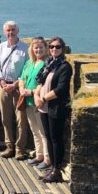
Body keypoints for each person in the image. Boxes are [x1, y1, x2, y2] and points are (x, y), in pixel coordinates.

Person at [34, 36, 73, 183]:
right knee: (49, 138)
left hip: (56, 108)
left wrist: (43, 99)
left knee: (56, 139)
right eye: (51, 47)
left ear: (62, 49)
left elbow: (61, 89)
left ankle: (57, 170)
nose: (54, 49)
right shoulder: (49, 64)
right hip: (44, 108)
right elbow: (40, 82)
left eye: (57, 47)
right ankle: (52, 168)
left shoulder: (65, 67)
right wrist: (37, 95)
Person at [0, 20, 29, 159]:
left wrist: (14, 85)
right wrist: (2, 82)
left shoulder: (25, 48)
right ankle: (9, 146)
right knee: (5, 118)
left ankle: (20, 148)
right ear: (4, 32)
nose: (10, 32)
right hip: (3, 86)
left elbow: (27, 70)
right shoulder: (1, 47)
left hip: (19, 87)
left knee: (21, 119)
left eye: (13, 29)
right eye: (8, 30)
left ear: (17, 31)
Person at [17, 37, 51, 171]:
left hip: (39, 102)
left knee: (43, 131)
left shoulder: (47, 64)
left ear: (46, 48)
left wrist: (30, 92)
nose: (38, 50)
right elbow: (21, 78)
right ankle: (39, 155)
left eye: (41, 47)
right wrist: (21, 89)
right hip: (28, 101)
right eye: (35, 47)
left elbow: (43, 84)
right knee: (34, 130)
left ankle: (47, 158)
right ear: (32, 49)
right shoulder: (29, 63)